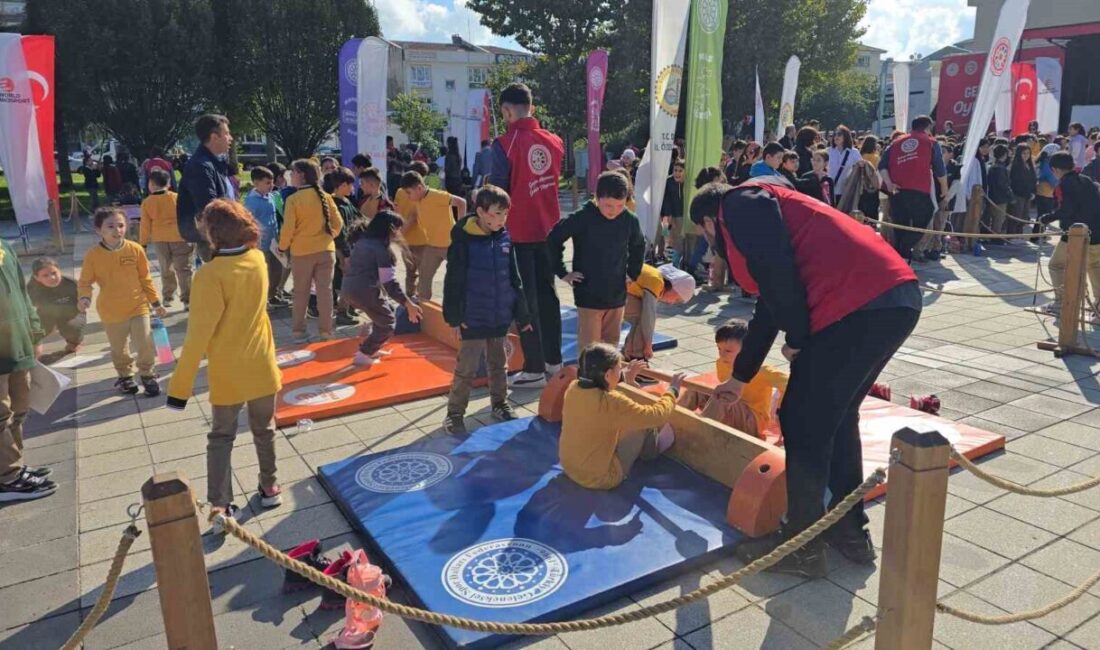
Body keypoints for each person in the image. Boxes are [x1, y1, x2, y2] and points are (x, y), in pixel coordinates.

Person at [690, 177, 920, 577]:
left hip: (858, 303)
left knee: (801, 417)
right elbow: (769, 306)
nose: (711, 248)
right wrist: (740, 379)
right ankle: (847, 532)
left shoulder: (741, 203)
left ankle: (802, 545)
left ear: (710, 221)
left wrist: (799, 337)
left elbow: (780, 277)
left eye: (703, 233)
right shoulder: (768, 202)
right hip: (891, 299)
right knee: (836, 416)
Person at [167, 199, 284, 531]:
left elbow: (197, 337)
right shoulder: (258, 259)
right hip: (262, 362)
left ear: (212, 232)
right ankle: (269, 486)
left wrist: (179, 389)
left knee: (221, 437)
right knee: (265, 430)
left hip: (229, 370)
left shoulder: (210, 275)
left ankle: (220, 504)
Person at [488, 82, 566, 389]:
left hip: (518, 233)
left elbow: (497, 194)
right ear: (531, 107)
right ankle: (554, 361)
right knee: (549, 297)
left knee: (526, 301)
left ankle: (534, 367)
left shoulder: (504, 144)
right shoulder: (555, 141)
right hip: (550, 230)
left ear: (507, 111)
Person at [441, 186, 530, 433]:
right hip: (472, 316)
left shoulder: (504, 237)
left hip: (498, 313)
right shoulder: (463, 240)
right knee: (467, 367)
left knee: (498, 363)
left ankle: (500, 404)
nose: (502, 220)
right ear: (481, 212)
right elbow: (453, 281)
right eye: (497, 213)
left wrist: (521, 313)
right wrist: (455, 316)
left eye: (505, 214)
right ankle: (454, 413)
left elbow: (514, 277)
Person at [558, 344, 684, 490]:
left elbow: (601, 393)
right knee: (642, 424)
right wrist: (672, 391)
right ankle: (652, 451)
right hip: (600, 478)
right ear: (607, 375)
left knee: (624, 418)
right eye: (619, 370)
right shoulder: (612, 402)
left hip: (569, 467)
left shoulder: (573, 388)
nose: (621, 372)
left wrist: (625, 377)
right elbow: (656, 416)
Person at [79, 207, 167, 396]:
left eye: (120, 225)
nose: (117, 230)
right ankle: (126, 376)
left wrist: (156, 302)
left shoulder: (135, 249)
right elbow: (85, 282)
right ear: (98, 230)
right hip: (111, 310)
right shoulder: (93, 255)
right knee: (119, 348)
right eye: (110, 226)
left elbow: (146, 278)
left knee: (145, 343)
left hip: (138, 306)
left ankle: (148, 375)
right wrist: (84, 298)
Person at [0, 238, 57, 502]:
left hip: (17, 342)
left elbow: (22, 294)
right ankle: (7, 477)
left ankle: (15, 465)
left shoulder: (4, 246)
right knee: (0, 414)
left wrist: (35, 333)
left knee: (19, 408)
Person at [679, 319, 788, 440]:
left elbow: (790, 383)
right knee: (696, 389)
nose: (722, 355)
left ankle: (698, 434)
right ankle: (673, 420)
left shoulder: (762, 370)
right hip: (731, 411)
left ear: (747, 351)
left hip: (753, 420)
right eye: (719, 349)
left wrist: (780, 409)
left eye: (728, 351)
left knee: (722, 398)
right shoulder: (721, 363)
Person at [342, 210, 423, 369]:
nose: (400, 233)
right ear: (390, 229)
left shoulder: (362, 240)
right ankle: (364, 354)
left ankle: (370, 349)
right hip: (364, 291)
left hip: (349, 288)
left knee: (383, 314)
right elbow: (389, 283)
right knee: (388, 322)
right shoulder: (380, 249)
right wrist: (408, 304)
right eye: (398, 229)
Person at [279, 159, 343, 343]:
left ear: (302, 175)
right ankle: (326, 331)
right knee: (325, 292)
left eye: (292, 172)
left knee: (301, 293)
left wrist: (283, 247)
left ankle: (299, 332)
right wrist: (329, 236)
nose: (290, 176)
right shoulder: (326, 196)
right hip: (326, 250)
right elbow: (338, 224)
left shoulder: (293, 200)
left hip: (302, 252)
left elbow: (288, 229)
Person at [878, 115, 948, 262]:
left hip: (897, 189)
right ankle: (903, 249)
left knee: (900, 224)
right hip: (918, 189)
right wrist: (944, 188)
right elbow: (939, 169)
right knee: (924, 219)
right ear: (928, 127)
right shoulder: (930, 142)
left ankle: (901, 255)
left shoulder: (896, 143)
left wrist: (889, 183)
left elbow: (882, 166)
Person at [1042, 152, 1100, 314]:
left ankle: (1062, 302)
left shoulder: (1064, 184)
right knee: (1094, 266)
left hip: (1075, 234)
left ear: (1055, 169)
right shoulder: (1086, 180)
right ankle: (1099, 306)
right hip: (1096, 232)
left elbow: (1066, 209)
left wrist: (1048, 217)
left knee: (1056, 265)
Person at [397, 171, 466, 302]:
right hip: (432, 246)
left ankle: (458, 306)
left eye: (408, 192)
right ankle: (423, 305)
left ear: (419, 188)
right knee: (424, 277)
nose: (407, 196)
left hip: (450, 245)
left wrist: (460, 229)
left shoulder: (437, 195)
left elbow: (461, 203)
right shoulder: (417, 201)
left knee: (457, 277)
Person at [177, 114, 233, 263]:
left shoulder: (214, 162)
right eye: (226, 133)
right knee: (221, 282)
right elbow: (209, 207)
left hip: (223, 235)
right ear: (214, 137)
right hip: (215, 239)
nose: (231, 138)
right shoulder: (200, 166)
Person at [139, 169, 192, 309]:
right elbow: (187, 217)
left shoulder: (147, 202)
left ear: (151, 184)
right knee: (183, 269)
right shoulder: (177, 198)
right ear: (168, 183)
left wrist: (143, 244)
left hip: (159, 238)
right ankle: (187, 299)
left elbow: (145, 225)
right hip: (180, 236)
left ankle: (168, 296)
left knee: (165, 268)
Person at [622, 263, 693, 362]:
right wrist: (648, 345)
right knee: (642, 317)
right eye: (677, 299)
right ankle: (637, 357)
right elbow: (648, 317)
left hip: (615, 284)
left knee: (639, 317)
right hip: (614, 288)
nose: (672, 303)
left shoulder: (654, 277)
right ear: (673, 287)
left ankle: (629, 354)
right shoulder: (656, 282)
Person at [243, 166, 284, 308]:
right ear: (256, 182)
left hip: (274, 242)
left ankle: (272, 295)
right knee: (263, 273)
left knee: (277, 270)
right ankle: (262, 300)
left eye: (271, 182)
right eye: (267, 183)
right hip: (260, 244)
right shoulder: (251, 201)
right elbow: (248, 222)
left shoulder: (271, 197)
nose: (271, 185)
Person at [27, 257, 85, 355]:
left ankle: (75, 341)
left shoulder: (71, 283)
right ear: (37, 278)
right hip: (46, 314)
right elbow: (27, 308)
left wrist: (83, 301)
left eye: (54, 273)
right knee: (33, 328)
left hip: (71, 313)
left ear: (60, 271)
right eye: (45, 276)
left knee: (71, 327)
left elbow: (85, 295)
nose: (52, 278)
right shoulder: (32, 289)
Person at [656, 160, 685, 261]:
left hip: (680, 214)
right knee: (665, 236)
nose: (677, 173)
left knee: (677, 239)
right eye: (675, 170)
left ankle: (674, 260)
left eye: (680, 171)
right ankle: (662, 256)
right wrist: (668, 215)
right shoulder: (668, 181)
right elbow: (665, 199)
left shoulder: (686, 182)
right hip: (667, 215)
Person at [828, 125, 862, 205]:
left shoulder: (854, 152)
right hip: (830, 191)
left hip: (846, 191)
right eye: (834, 134)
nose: (836, 137)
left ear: (846, 136)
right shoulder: (828, 151)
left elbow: (859, 169)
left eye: (839, 134)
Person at [1009, 143, 1037, 235]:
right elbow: (1016, 183)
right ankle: (1013, 235)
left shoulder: (1030, 165)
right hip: (1019, 195)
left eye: (1028, 153)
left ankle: (1019, 234)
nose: (1026, 156)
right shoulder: (1015, 166)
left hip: (1028, 195)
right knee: (1017, 216)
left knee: (1024, 217)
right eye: (1024, 153)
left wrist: (1033, 192)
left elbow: (1033, 180)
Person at [986, 144, 1013, 237]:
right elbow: (1003, 185)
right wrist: (1010, 195)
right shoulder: (1000, 168)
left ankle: (994, 235)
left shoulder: (993, 166)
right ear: (1004, 154)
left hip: (992, 195)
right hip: (1000, 198)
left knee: (995, 218)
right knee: (998, 219)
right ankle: (995, 237)